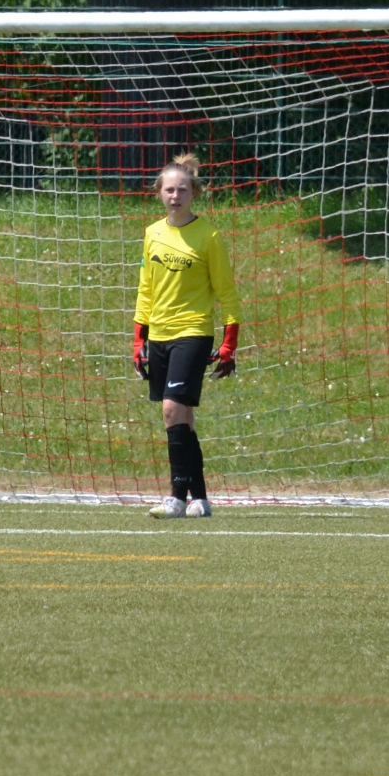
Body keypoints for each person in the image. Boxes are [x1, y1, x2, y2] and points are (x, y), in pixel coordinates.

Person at [132, 153, 242, 519]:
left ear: (193, 193)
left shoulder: (209, 236)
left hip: (193, 332)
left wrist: (229, 343)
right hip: (159, 335)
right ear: (159, 193)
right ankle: (201, 499)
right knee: (183, 417)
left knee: (171, 409)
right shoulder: (152, 234)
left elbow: (227, 293)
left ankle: (176, 497)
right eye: (169, 190)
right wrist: (138, 339)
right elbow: (146, 289)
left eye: (182, 190)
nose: (175, 196)